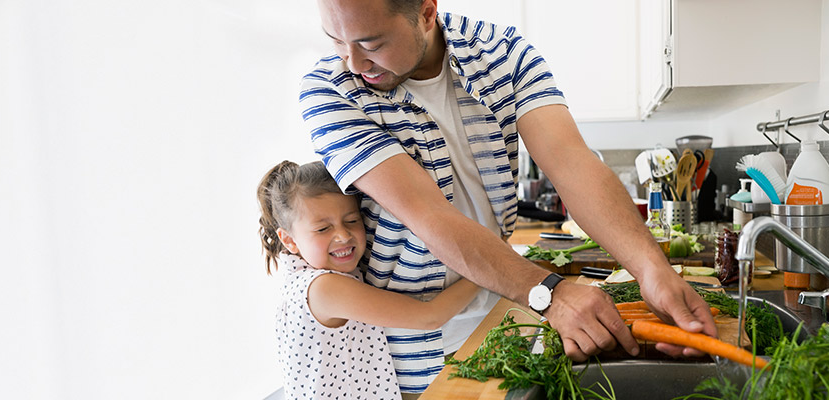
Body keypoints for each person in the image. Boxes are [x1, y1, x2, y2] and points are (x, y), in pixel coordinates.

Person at [299, 0, 717, 394]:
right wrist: (550, 292)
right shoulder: (328, 90)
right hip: (412, 353)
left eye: (370, 43)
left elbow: (572, 163)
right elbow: (429, 216)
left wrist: (650, 269)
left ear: (426, 12)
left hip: (510, 316)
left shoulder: (503, 52)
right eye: (335, 39)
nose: (352, 63)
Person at [258, 160, 484, 400]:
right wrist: (485, 271)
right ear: (289, 240)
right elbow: (429, 316)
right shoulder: (324, 288)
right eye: (323, 229)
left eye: (352, 221)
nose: (343, 235)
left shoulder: (301, 278)